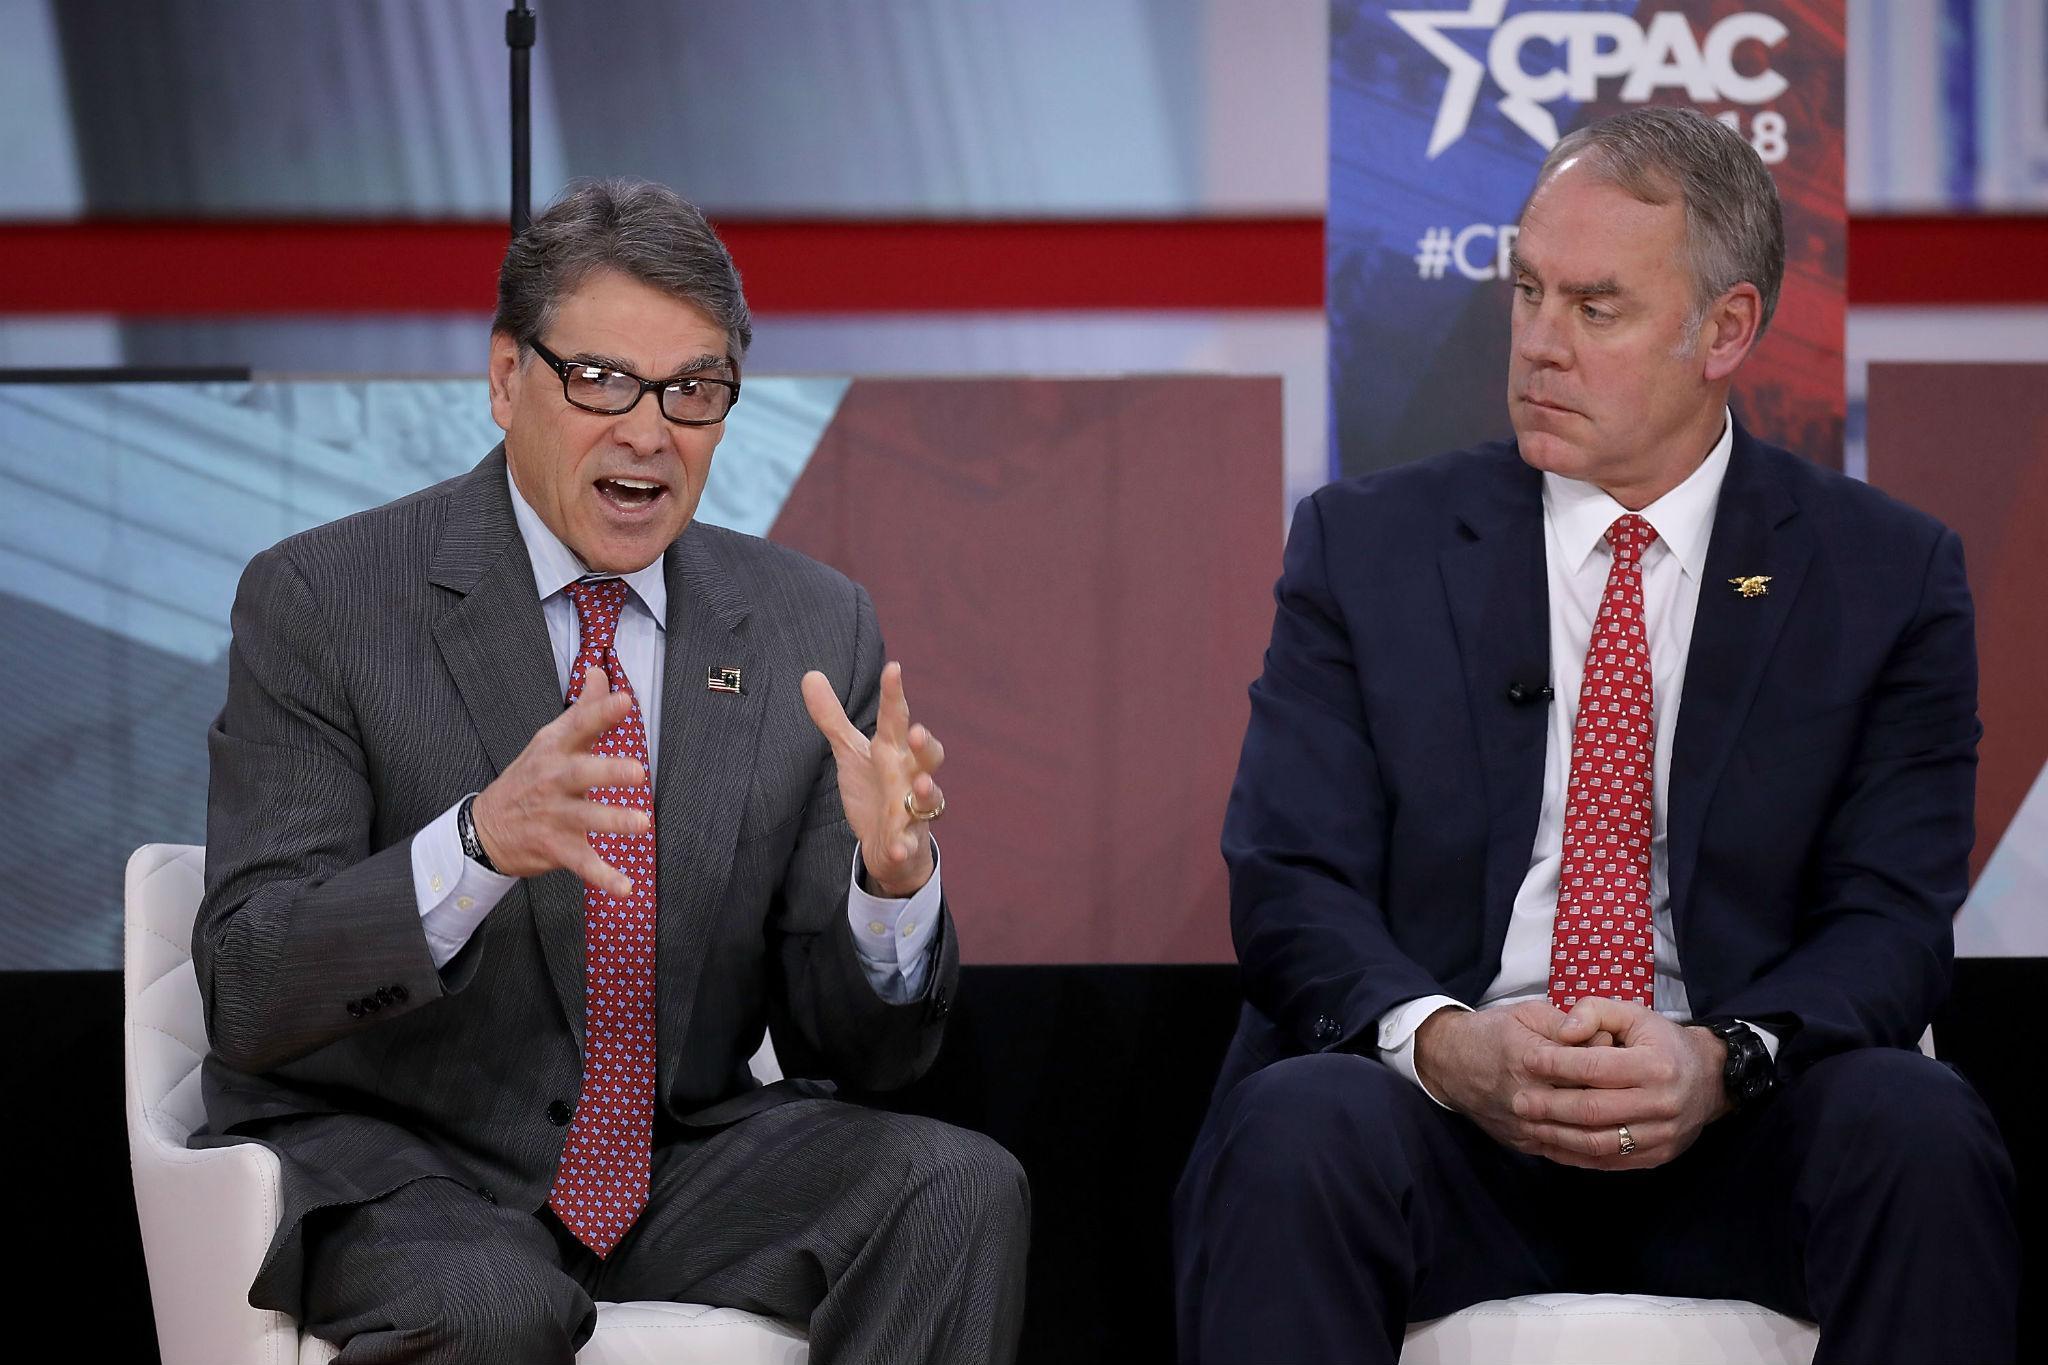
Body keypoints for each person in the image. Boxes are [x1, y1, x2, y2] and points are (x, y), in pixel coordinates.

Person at [1172, 108, 2018, 1365]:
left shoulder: (1882, 573)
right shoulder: (1367, 547)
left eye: (1595, 308)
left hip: (1739, 1133)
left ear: (1724, 330)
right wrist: (1446, 1046)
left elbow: (1890, 917)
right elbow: (1291, 879)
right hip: (1441, 1128)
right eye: (1525, 292)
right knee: (1298, 1124)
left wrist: (1720, 1061)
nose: (1535, 346)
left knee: (1919, 1127)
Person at [192, 178, 1028, 1365]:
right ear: (504, 378)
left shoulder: (808, 624)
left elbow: (866, 1059)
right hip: (405, 1165)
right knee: (494, 1309)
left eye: (692, 390)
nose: (648, 431)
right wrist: (476, 846)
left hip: (675, 1158)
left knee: (953, 1187)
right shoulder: (327, 600)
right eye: (600, 381)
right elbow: (250, 978)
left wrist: (889, 892)